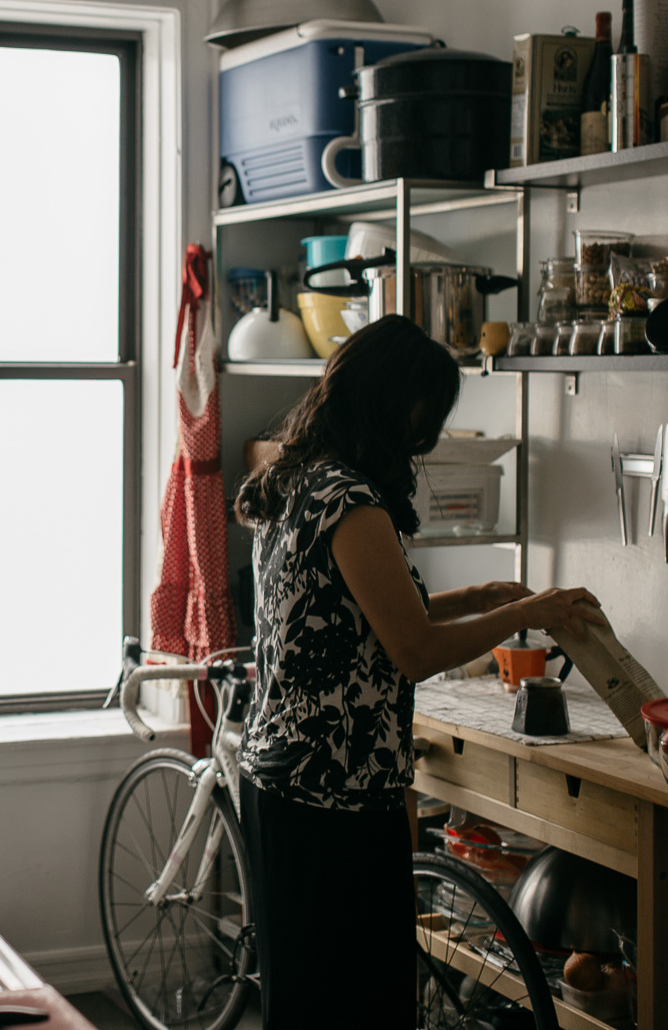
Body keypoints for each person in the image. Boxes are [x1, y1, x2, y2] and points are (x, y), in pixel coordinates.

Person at [232, 314, 603, 1027]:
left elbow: (356, 613)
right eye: (423, 412)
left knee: (306, 1002)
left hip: (285, 782)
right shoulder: (354, 503)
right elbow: (415, 652)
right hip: (332, 796)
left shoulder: (301, 477)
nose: (424, 434)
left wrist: (480, 597)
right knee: (356, 1007)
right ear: (395, 403)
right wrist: (544, 608)